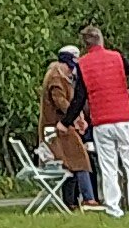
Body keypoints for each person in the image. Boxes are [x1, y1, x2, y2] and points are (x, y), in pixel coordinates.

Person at [76, 25, 129, 218]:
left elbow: (80, 97)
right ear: (101, 39)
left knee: (108, 166)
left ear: (85, 44)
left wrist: (66, 121)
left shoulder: (83, 64)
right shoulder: (116, 57)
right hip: (123, 117)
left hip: (101, 120)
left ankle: (113, 207)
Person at [37, 47, 92, 208]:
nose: (71, 69)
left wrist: (79, 116)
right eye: (69, 66)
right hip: (55, 129)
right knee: (79, 160)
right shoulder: (56, 79)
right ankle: (88, 198)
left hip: (61, 127)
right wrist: (75, 118)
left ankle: (71, 201)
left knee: (71, 163)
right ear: (62, 63)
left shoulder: (62, 77)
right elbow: (61, 102)